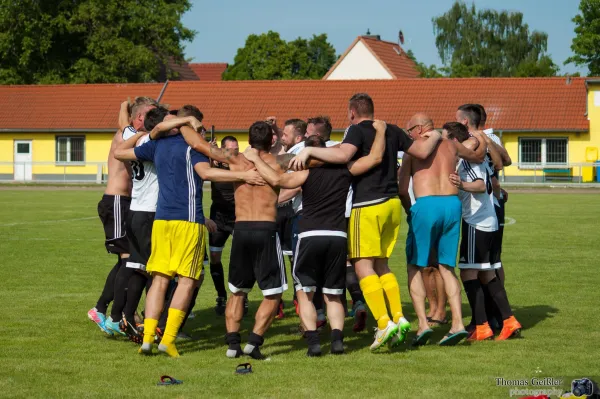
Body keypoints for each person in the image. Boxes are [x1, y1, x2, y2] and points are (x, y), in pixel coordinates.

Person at [290, 93, 454, 351]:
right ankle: (399, 318)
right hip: (391, 205)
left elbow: (344, 155)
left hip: (368, 204)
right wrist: (435, 134)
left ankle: (383, 321)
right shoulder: (392, 129)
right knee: (382, 266)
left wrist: (310, 149)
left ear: (352, 112)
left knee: (362, 266)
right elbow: (422, 150)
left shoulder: (356, 130)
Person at [114, 116, 265, 357]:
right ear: (190, 129)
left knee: (160, 278)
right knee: (187, 280)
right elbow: (206, 173)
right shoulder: (192, 148)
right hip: (187, 221)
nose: (203, 133)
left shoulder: (157, 145)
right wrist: (243, 176)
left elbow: (120, 153)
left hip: (161, 220)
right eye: (200, 128)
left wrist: (153, 132)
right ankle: (168, 339)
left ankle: (148, 338)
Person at [246, 120, 387, 356]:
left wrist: (256, 159)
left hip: (310, 234)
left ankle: (313, 343)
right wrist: (381, 131)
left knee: (305, 292)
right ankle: (337, 340)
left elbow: (278, 181)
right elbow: (374, 159)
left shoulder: (305, 173)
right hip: (338, 235)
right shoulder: (346, 170)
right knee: (333, 293)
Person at [398, 113, 487, 347]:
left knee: (414, 266)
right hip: (452, 204)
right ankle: (457, 324)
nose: (408, 136)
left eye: (409, 131)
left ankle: (423, 324)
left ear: (418, 129)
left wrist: (410, 211)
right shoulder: (451, 144)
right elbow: (478, 156)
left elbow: (402, 189)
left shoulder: (414, 149)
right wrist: (482, 138)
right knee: (447, 267)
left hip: (426, 204)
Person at [445, 121, 522, 342]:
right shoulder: (473, 159)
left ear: (455, 141)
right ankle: (508, 321)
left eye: (446, 139)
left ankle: (482, 326)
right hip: (487, 221)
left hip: (476, 223)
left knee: (468, 273)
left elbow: (480, 185)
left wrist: (460, 184)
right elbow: (494, 182)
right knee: (487, 273)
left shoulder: (468, 162)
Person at [88, 97, 156, 334]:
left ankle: (112, 311)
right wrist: (124, 105)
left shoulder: (134, 135)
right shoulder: (126, 136)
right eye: (150, 114)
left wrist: (124, 107)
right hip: (117, 202)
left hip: (128, 203)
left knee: (128, 260)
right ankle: (109, 313)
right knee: (128, 259)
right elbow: (123, 124)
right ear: (138, 118)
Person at [103, 105, 168, 338]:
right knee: (152, 272)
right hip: (150, 212)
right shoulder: (154, 146)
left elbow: (125, 126)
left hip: (135, 210)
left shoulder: (136, 139)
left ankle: (124, 317)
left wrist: (124, 107)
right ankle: (146, 322)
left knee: (135, 267)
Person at [306, 116, 367, 332]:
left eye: (309, 132)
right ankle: (358, 301)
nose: (305, 135)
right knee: (346, 262)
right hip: (345, 213)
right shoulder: (343, 151)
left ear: (318, 135)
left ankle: (320, 314)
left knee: (315, 269)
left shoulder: (311, 151)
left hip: (315, 216)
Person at [208, 136, 241, 316]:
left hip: (238, 216)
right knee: (214, 256)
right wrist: (209, 151)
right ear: (222, 150)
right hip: (218, 217)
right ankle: (221, 295)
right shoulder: (212, 165)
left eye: (236, 149)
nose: (234, 152)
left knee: (241, 258)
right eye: (230, 149)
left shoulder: (241, 164)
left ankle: (240, 297)